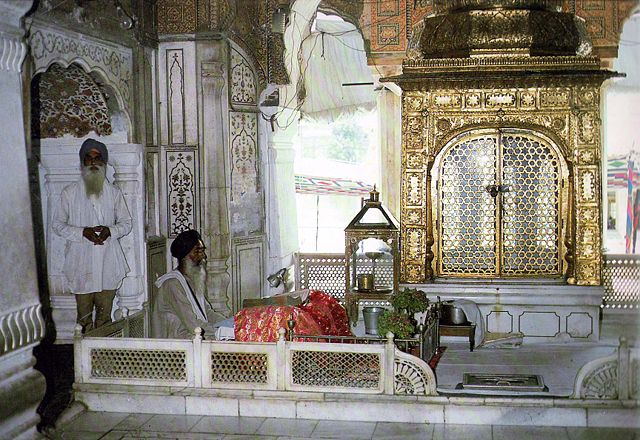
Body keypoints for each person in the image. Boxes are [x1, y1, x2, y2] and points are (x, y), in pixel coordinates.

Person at [52, 139, 132, 332]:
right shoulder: (69, 193)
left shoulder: (114, 193)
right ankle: (83, 361)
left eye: (98, 159)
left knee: (104, 319)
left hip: (109, 264)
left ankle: (102, 360)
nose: (93, 163)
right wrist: (82, 233)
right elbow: (57, 225)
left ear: (104, 163)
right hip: (81, 265)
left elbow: (127, 223)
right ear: (83, 162)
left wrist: (110, 231)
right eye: (89, 158)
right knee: (84, 320)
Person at [151, 229, 225, 339]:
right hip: (175, 346)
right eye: (198, 251)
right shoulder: (172, 284)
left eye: (202, 251)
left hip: (191, 337)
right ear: (185, 256)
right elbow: (192, 324)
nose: (204, 256)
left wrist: (231, 324)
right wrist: (220, 333)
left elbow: (207, 312)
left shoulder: (192, 279)